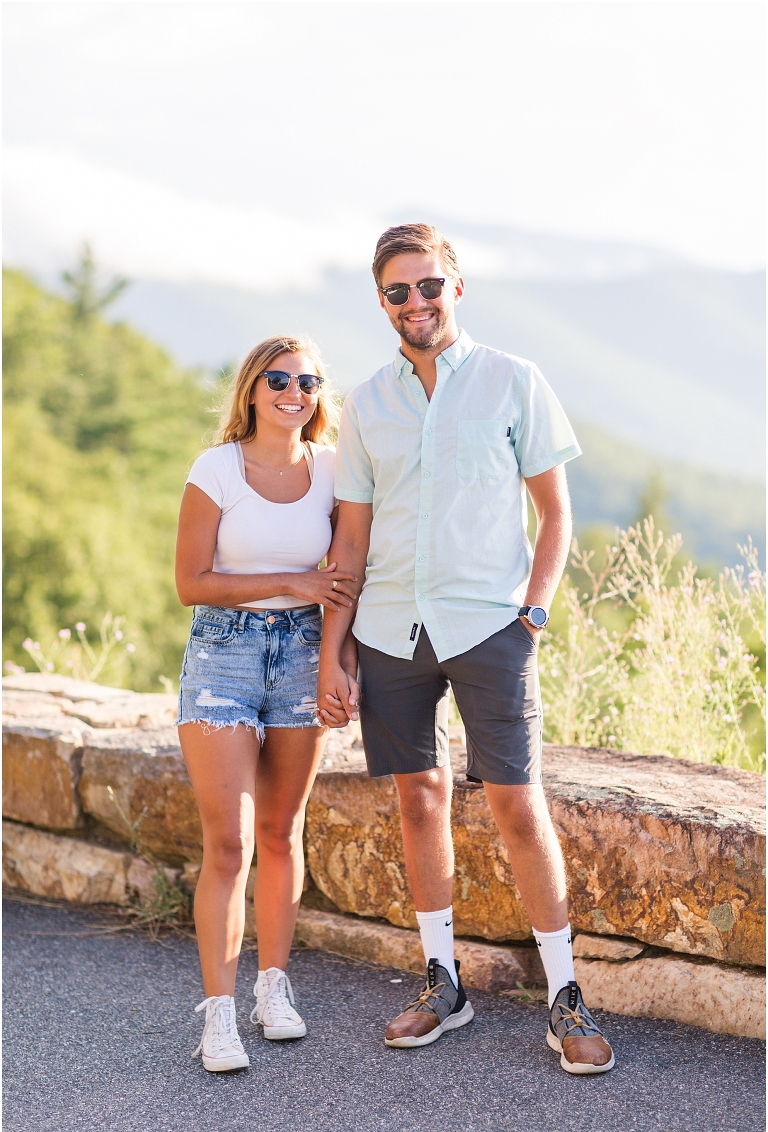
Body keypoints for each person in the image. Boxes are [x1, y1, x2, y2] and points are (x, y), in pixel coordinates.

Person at [317, 224, 614, 1075]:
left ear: (457, 285)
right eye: (398, 292)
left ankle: (565, 997)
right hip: (389, 632)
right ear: (382, 303)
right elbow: (353, 538)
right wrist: (332, 651)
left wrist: (536, 613)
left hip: (491, 627)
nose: (416, 302)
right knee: (419, 801)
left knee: (520, 805)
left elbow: (557, 513)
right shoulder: (368, 401)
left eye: (430, 285)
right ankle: (441, 982)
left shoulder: (514, 382)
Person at [175, 334, 358, 1072]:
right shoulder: (215, 469)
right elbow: (191, 581)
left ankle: (272, 989)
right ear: (253, 389)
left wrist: (338, 665)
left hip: (303, 653)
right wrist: (294, 579)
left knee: (283, 831)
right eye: (278, 378)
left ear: (319, 392)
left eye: (308, 380)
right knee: (230, 843)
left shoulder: (336, 471)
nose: (294, 390)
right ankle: (218, 1015)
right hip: (222, 653)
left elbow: (347, 579)